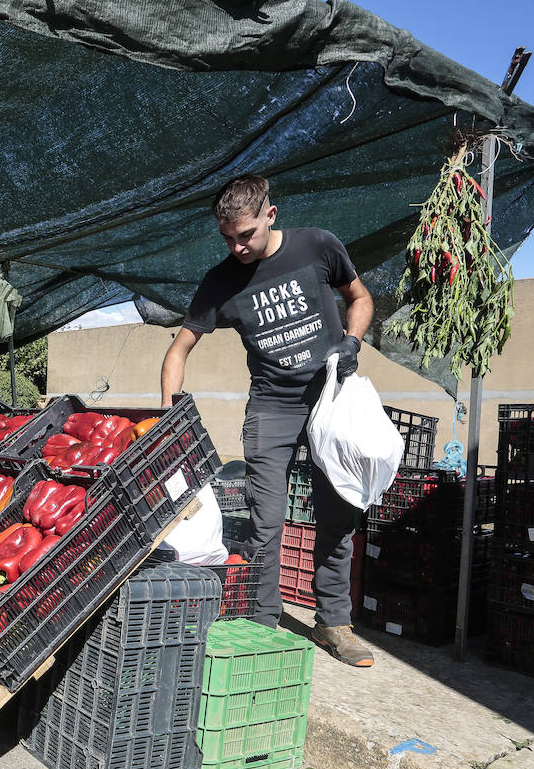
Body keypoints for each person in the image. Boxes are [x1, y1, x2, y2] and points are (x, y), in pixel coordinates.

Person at [160, 175, 376, 668]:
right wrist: (170, 417)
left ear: (271, 216)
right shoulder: (220, 281)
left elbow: (359, 298)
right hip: (271, 408)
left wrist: (353, 342)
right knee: (266, 519)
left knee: (337, 515)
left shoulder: (318, 246)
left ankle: (333, 623)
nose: (237, 247)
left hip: (330, 402)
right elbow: (180, 348)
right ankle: (261, 623)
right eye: (228, 238)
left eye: (246, 235)